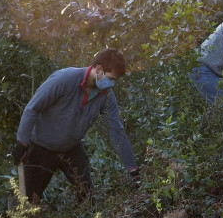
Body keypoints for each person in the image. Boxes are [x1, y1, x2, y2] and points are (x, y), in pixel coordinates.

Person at [10, 48, 140, 204]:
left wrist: (132, 169)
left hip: (71, 149)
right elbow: (33, 108)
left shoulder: (106, 96)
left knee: (87, 198)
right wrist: (22, 143)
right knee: (26, 202)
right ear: (98, 69)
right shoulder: (65, 79)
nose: (112, 84)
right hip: (41, 147)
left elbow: (116, 131)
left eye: (115, 81)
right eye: (110, 78)